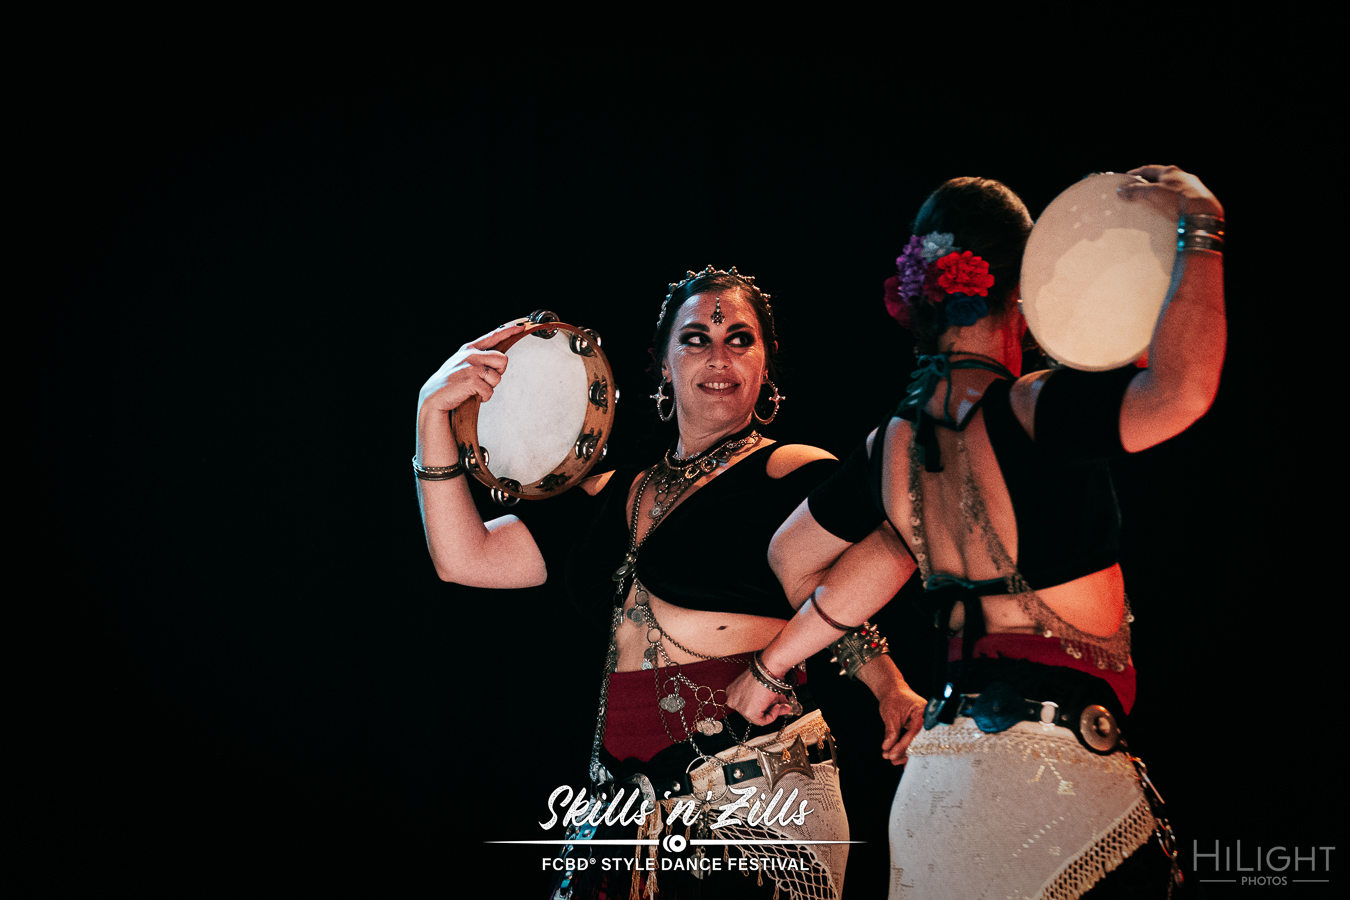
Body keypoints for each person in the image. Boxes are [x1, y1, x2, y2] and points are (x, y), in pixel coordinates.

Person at [726, 166, 1225, 899]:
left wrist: (861, 678)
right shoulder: (1033, 407)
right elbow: (1182, 390)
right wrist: (1200, 224)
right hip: (1053, 783)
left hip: (937, 787)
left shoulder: (889, 447)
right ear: (1022, 294)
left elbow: (792, 558)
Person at [414, 266, 923, 900]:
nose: (719, 357)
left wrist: (889, 687)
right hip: (619, 807)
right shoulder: (609, 493)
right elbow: (463, 558)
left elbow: (859, 574)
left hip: (747, 792)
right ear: (662, 364)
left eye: (740, 340)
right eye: (695, 339)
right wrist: (431, 414)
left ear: (765, 365)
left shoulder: (787, 472)